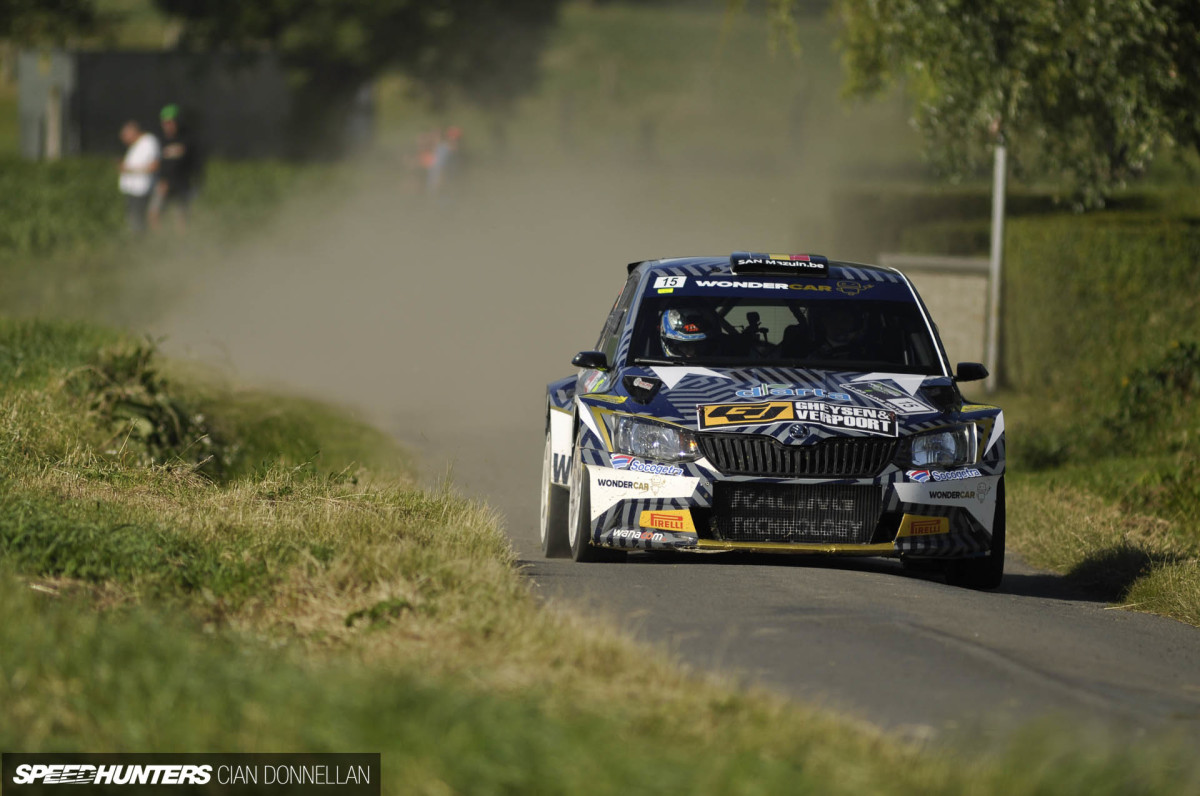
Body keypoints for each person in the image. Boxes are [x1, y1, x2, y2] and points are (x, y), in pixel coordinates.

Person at [150, 104, 200, 233]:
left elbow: (194, 164)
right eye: (165, 122)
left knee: (181, 216)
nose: (168, 125)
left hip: (182, 184)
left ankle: (182, 243)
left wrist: (196, 183)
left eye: (171, 122)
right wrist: (161, 180)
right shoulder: (159, 139)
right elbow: (158, 163)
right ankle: (159, 241)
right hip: (163, 183)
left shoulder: (188, 139)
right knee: (154, 213)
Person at [118, 120, 159, 234]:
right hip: (132, 190)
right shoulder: (136, 145)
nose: (123, 138)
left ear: (133, 132)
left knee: (138, 222)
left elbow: (153, 166)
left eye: (125, 135)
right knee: (132, 221)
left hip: (141, 190)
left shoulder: (149, 142)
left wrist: (129, 169)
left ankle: (141, 243)